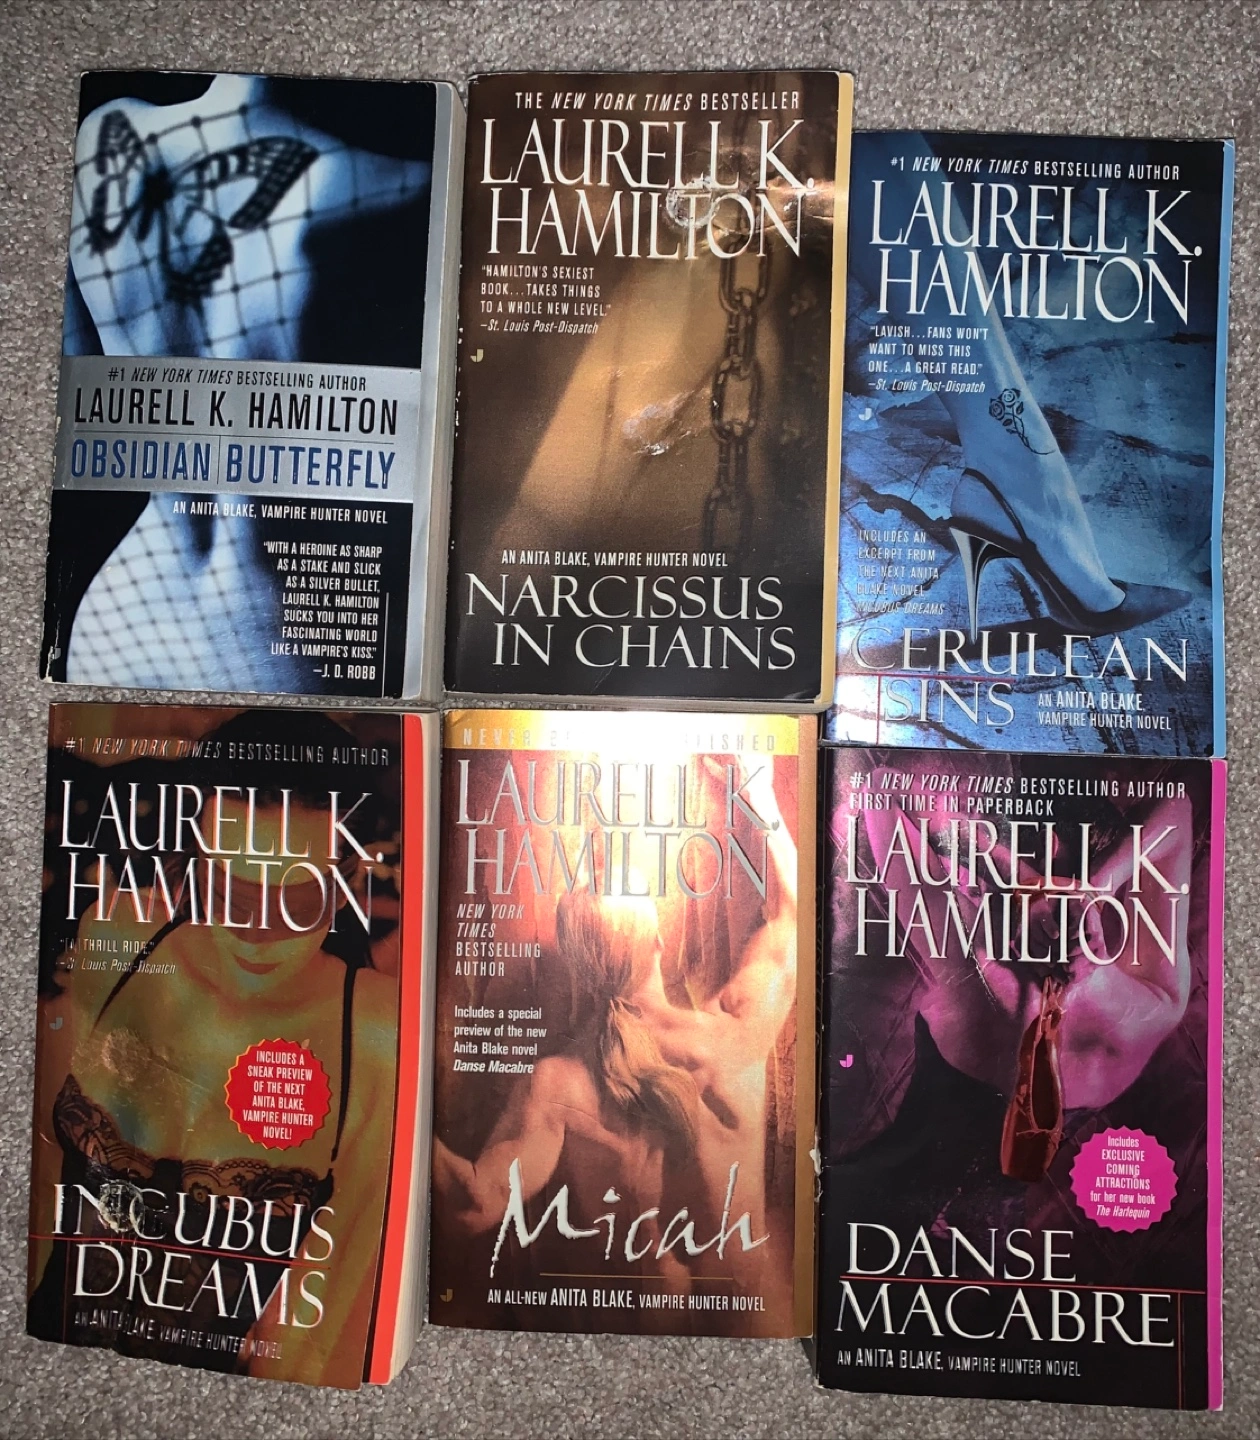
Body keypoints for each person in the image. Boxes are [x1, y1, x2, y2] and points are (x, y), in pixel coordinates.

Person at [28, 711, 400, 1386]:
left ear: (346, 876)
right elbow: (42, 1167)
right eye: (230, 892)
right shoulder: (116, 936)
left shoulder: (373, 1028)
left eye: (296, 899)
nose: (256, 934)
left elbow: (328, 1314)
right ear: (197, 857)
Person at [432, 756, 799, 1329]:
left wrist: (396, 1088)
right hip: (755, 1320)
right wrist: (760, 794)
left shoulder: (559, 1085)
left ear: (580, 966)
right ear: (658, 942)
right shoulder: (735, 1031)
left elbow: (473, 1206)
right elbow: (791, 919)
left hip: (648, 1331)